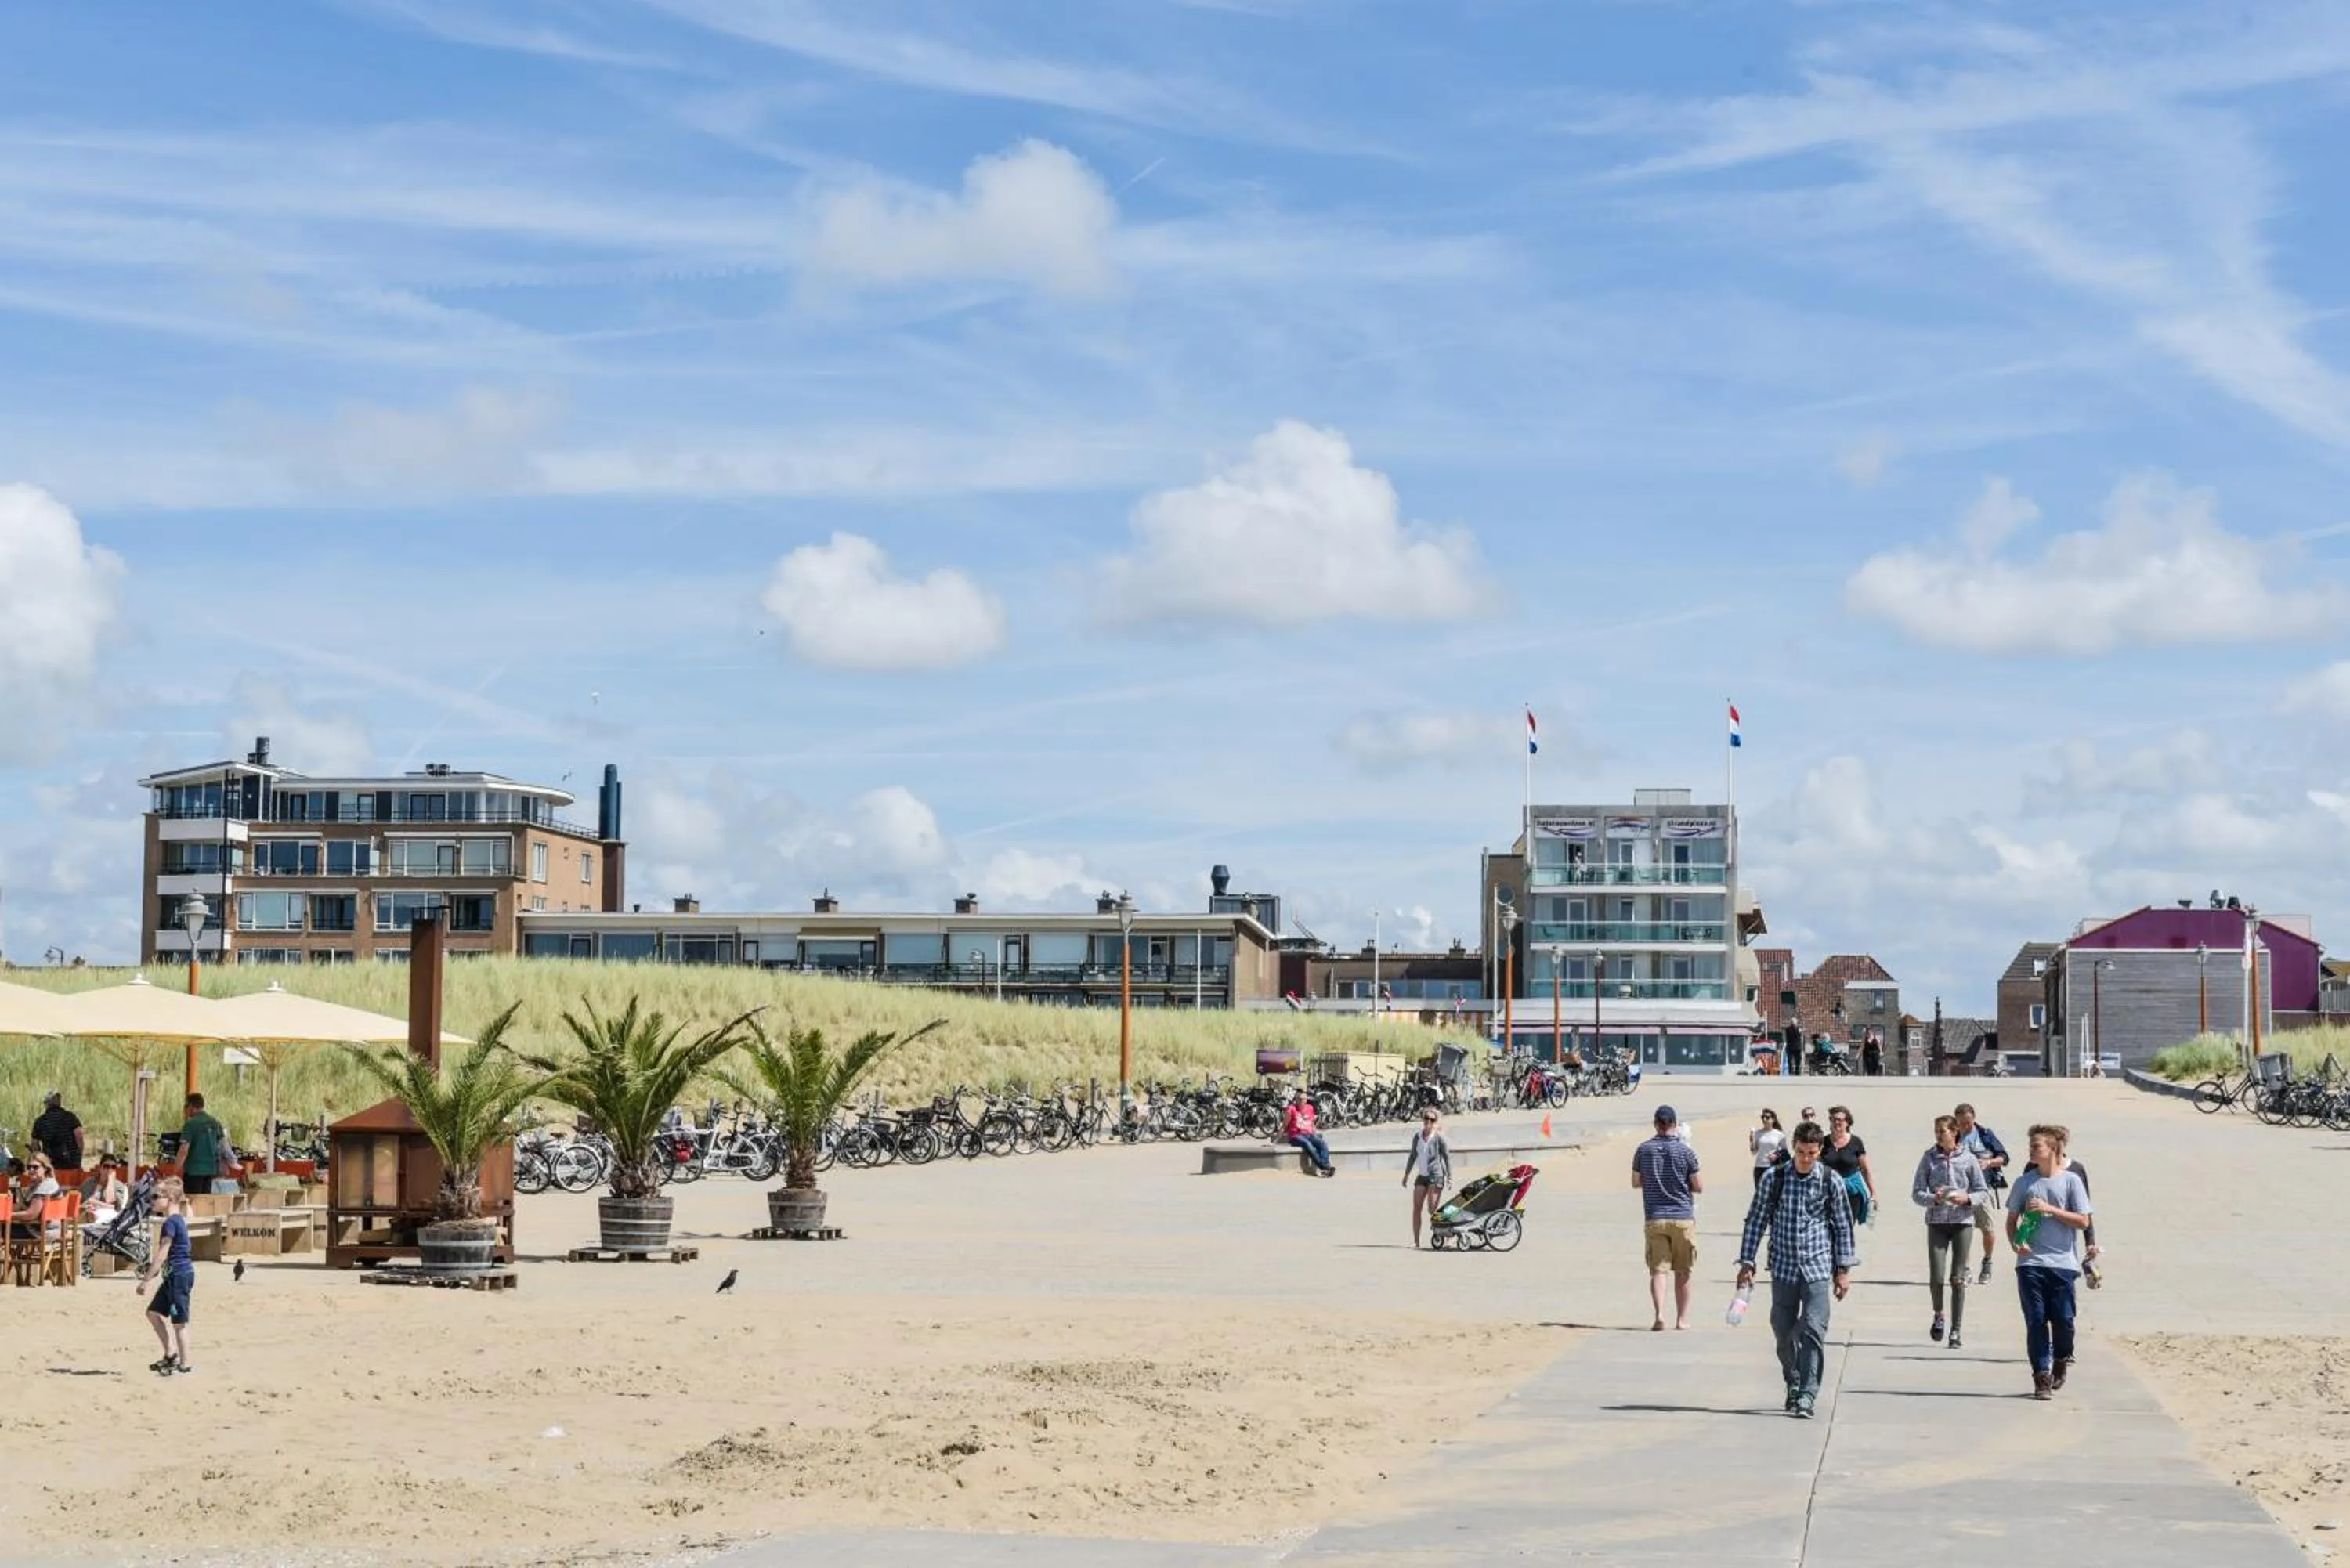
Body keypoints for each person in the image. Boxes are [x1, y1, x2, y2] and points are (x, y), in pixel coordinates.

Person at [1735, 1118, 1857, 1419]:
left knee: (1814, 1330)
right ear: (1794, 1148)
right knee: (1783, 1333)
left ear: (1820, 1151)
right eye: (1801, 1152)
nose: (1806, 1159)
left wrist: (1843, 1270)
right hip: (1784, 1268)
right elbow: (1756, 1220)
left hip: (1817, 1267)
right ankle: (1793, 1381)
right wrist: (1747, 1262)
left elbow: (1843, 1226)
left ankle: (1807, 1394)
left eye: (1812, 1153)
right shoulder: (1774, 1178)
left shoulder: (1831, 1180)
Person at [2007, 1123, 2093, 1400]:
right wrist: (2015, 1242)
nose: (2031, 1150)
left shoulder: (2071, 1181)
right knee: (2035, 1321)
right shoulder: (2025, 1183)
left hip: (2063, 1263)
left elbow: (2083, 1220)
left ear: (2053, 1149)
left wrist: (2050, 1209)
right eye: (2030, 1146)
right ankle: (2041, 1377)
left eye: (2036, 1146)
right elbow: (2012, 1221)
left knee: (2064, 1321)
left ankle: (2061, 1359)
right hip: (2031, 1263)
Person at [1911, 1115, 1988, 1349]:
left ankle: (1956, 1330)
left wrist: (1967, 1199)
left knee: (1957, 1278)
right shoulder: (1929, 1158)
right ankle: (1939, 1314)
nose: (1938, 1135)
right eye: (1936, 1131)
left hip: (1962, 1222)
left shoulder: (1968, 1159)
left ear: (1954, 1133)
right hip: (1937, 1223)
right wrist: (1933, 1199)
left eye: (1942, 1131)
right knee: (1937, 1276)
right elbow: (1916, 1192)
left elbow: (1982, 1191)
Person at [1631, 1104, 1703, 1331]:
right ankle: (1682, 1319)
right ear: (1675, 1124)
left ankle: (1660, 1314)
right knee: (1683, 1270)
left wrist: (1653, 1181)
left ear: (1656, 1124)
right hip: (1682, 1215)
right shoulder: (1686, 1151)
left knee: (1659, 1269)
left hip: (1655, 1216)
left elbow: (1635, 1182)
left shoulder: (1643, 1150)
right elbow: (1698, 1186)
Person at [139, 1180, 198, 1375]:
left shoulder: (172, 1222)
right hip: (174, 1276)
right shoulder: (176, 1219)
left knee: (179, 1323)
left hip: (179, 1276)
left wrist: (146, 1279)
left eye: (156, 1197)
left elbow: (163, 1253)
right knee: (153, 1313)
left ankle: (185, 1364)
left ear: (170, 1198)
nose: (152, 1201)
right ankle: (171, 1354)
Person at [1953, 1103, 2008, 1285]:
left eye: (1968, 1122)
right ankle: (1965, 1268)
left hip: (1981, 1189)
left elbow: (2004, 1157)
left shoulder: (1985, 1134)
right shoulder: (1953, 1135)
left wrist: (1989, 1162)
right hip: (1960, 1190)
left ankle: (1987, 1262)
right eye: (1961, 1123)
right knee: (1963, 1231)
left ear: (1974, 1118)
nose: (1965, 1127)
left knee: (1988, 1229)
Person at [1404, 1110, 1452, 1247]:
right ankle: (1416, 1241)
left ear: (1435, 1122)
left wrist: (1449, 1177)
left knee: (1432, 1210)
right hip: (1422, 1176)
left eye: (1432, 1120)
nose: (1428, 1122)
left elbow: (1447, 1158)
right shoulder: (1417, 1137)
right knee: (1416, 1208)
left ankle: (1450, 1233)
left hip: (1436, 1176)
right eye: (1426, 1118)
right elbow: (1413, 1155)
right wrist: (1406, 1175)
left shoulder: (1438, 1138)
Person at [1820, 1106, 1875, 1223]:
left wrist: (1873, 1194)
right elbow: (1815, 1166)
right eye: (1833, 1119)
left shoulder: (1856, 1142)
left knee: (1847, 1227)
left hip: (1851, 1192)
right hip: (1829, 1192)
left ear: (1847, 1122)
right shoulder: (1823, 1142)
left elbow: (1865, 1169)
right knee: (1828, 1228)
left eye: (1840, 1120)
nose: (1836, 1122)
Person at [176, 1093, 233, 1197]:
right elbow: (224, 1146)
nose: (185, 1110)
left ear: (191, 1106)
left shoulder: (190, 1124)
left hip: (194, 1170)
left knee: (192, 1201)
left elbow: (184, 1150)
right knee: (205, 1200)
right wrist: (230, 1163)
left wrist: (176, 1169)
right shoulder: (215, 1122)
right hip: (211, 1170)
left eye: (186, 1106)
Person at [1281, 1089, 1334, 1178]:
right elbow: (1284, 1125)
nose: (1302, 1101)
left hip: (1309, 1134)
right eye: (1300, 1099)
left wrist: (1315, 1133)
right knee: (1308, 1144)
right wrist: (1276, 1140)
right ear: (1296, 1099)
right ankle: (1324, 1167)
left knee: (1323, 1144)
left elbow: (1311, 1123)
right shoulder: (1291, 1109)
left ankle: (1325, 1166)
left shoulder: (1310, 1108)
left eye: (1304, 1099)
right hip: (1295, 1136)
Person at [31, 1090, 84, 1171]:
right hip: (71, 1163)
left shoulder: (40, 1121)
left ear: (46, 1104)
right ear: (59, 1102)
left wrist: (41, 1160)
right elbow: (79, 1137)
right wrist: (79, 1155)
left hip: (49, 1163)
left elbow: (35, 1145)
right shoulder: (70, 1117)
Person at [1748, 1109, 1785, 1190]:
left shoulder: (1779, 1135)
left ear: (1773, 1120)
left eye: (1767, 1117)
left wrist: (1776, 1155)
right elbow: (1754, 1152)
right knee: (1760, 1194)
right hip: (1759, 1167)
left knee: (1773, 1193)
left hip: (1773, 1167)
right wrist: (1751, 1141)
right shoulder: (1757, 1133)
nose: (1764, 1120)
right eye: (1763, 1117)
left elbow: (1784, 1151)